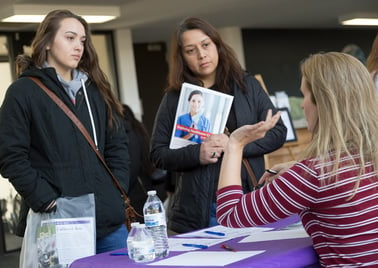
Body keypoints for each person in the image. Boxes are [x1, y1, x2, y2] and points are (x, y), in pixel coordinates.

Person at [216, 52, 378, 267]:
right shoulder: (363, 159)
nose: (302, 106)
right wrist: (296, 169)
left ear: (322, 102)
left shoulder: (313, 174)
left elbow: (229, 214)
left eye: (305, 96)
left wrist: (235, 145)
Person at [0, 10, 130, 253]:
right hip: (59, 223)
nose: (78, 46)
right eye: (70, 38)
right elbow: (11, 158)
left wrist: (114, 190)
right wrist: (47, 201)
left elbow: (118, 144)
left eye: (82, 40)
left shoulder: (96, 90)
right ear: (47, 43)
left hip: (109, 222)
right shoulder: (23, 92)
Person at [150, 17, 287, 234]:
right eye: (191, 50)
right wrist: (197, 153)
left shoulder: (247, 86)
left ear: (217, 46)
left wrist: (236, 145)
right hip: (196, 210)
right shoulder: (175, 98)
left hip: (246, 199)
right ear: (182, 58)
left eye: (206, 45)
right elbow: (158, 154)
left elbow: (279, 132)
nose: (201, 54)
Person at [122, 104, 166, 221]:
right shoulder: (138, 128)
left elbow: (132, 166)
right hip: (148, 188)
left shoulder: (128, 133)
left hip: (138, 194)